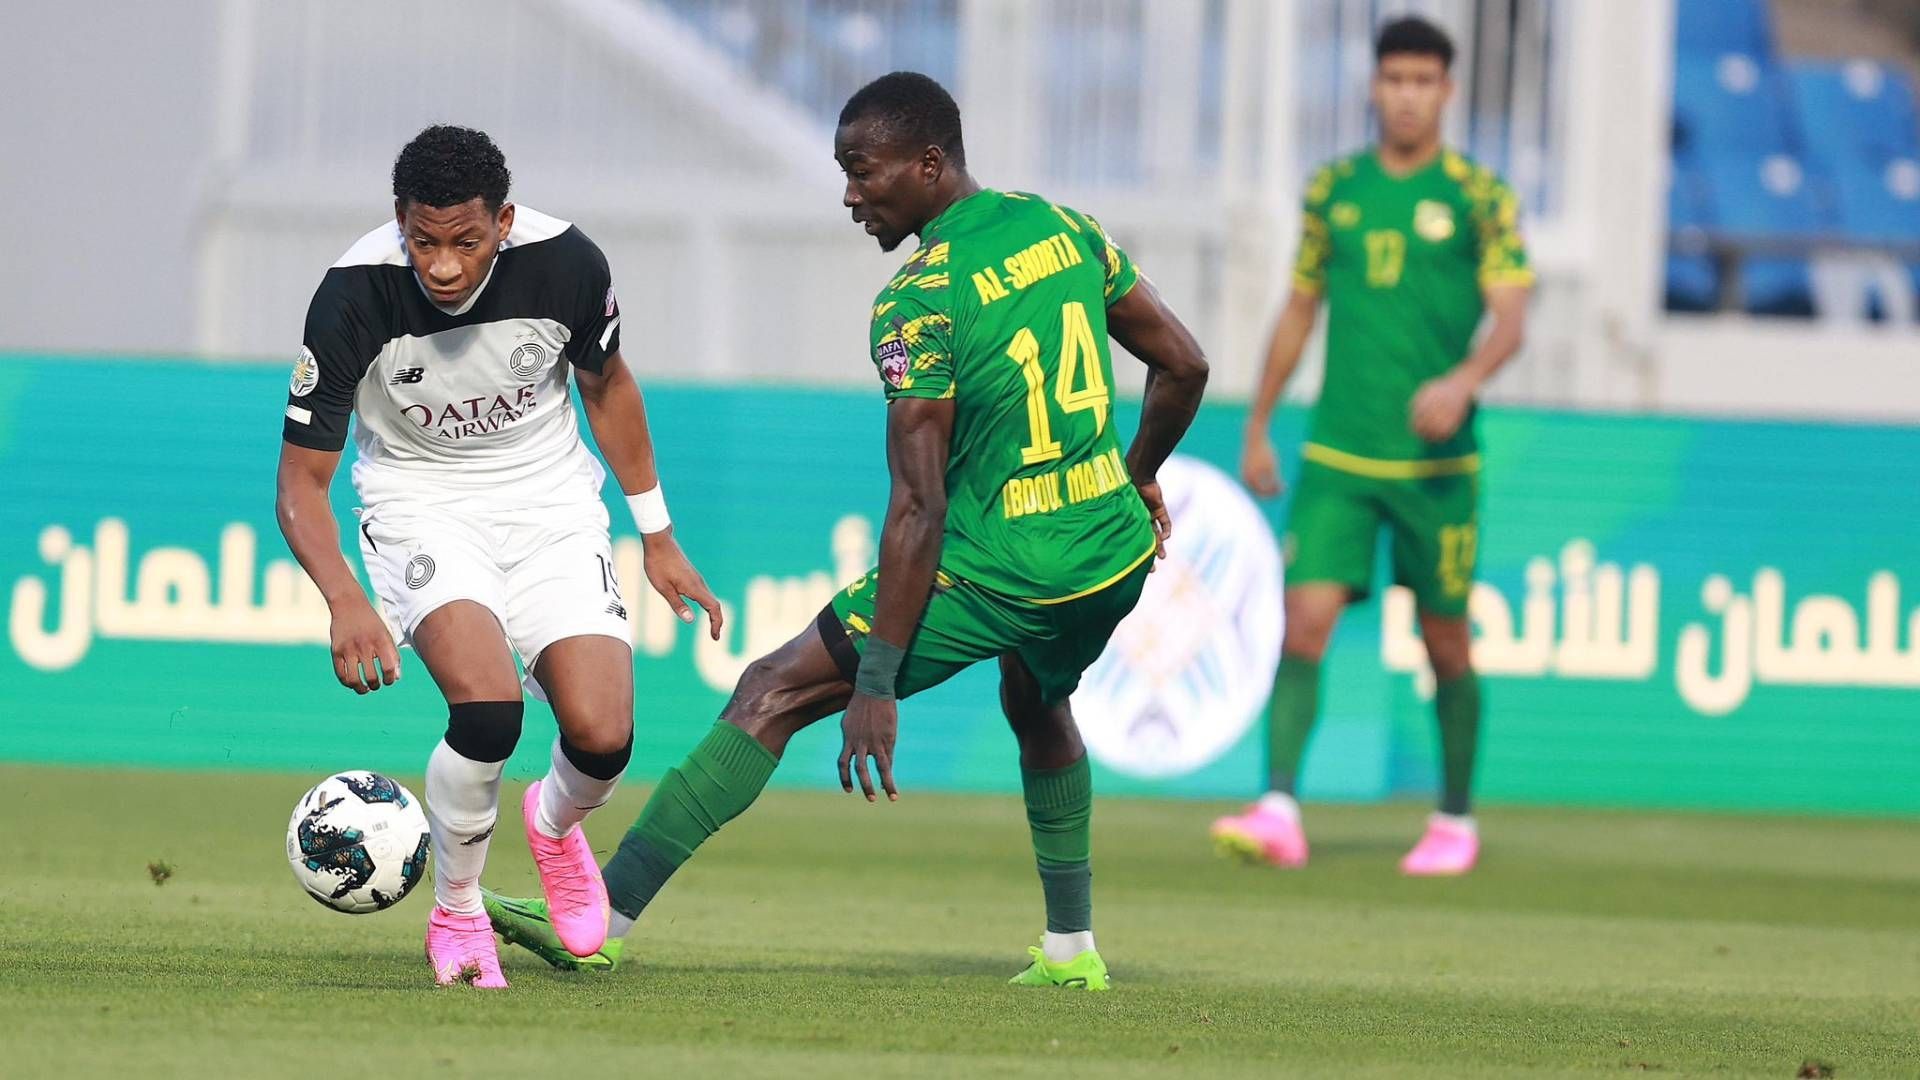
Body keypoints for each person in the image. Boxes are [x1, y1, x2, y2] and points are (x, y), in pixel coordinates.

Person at [482, 71, 1209, 990]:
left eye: (865, 172)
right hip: (1110, 557)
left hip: (1001, 565)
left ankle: (599, 923)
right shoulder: (1062, 226)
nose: (850, 195)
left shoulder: (922, 298)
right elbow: (1184, 364)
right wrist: (1136, 476)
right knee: (1038, 701)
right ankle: (1072, 953)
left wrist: (876, 683)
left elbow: (919, 508)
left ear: (930, 164)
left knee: (771, 692)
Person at [274, 125, 722, 987]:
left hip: (549, 501)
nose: (441, 265)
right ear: (399, 222)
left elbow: (608, 385)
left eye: (465, 241)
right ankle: (458, 910)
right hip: (421, 503)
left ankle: (553, 828)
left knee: (603, 736)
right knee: (487, 713)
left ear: (504, 222)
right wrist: (343, 597)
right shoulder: (352, 297)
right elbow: (300, 482)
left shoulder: (566, 265)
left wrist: (656, 534)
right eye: (423, 240)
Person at [1210, 16, 1532, 876]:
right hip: (1341, 457)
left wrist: (1463, 380)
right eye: (1395, 79)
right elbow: (1300, 308)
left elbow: (1512, 317)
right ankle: (1278, 807)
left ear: (1448, 91)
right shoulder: (1334, 192)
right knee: (1305, 624)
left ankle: (1454, 820)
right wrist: (1257, 423)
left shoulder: (1479, 197)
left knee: (1445, 641)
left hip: (1437, 464)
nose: (1408, 96)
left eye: (1424, 81)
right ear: (1373, 86)